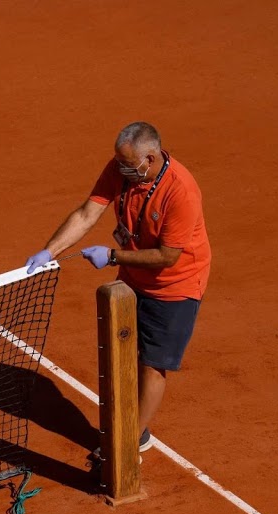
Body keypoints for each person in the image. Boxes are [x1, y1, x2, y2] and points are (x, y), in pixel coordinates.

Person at [25, 122, 211, 453]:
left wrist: (112, 256)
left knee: (152, 364)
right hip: (133, 277)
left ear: (150, 159)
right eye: (119, 162)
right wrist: (49, 250)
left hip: (174, 287)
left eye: (128, 164)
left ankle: (130, 441)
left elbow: (168, 257)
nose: (120, 169)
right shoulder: (122, 169)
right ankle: (127, 422)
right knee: (122, 349)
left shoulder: (180, 192)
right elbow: (87, 213)